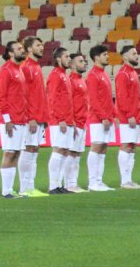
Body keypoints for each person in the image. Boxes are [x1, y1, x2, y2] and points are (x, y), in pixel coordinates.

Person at [0, 41, 28, 198]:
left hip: (21, 119)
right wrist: (7, 120)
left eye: (22, 48)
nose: (22, 51)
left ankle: (10, 189)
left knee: (15, 153)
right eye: (19, 49)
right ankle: (6, 190)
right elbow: (1, 97)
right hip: (11, 121)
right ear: (10, 53)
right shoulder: (6, 71)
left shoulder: (18, 69)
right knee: (9, 153)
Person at [18, 37, 49, 196]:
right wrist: (30, 116)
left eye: (41, 44)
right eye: (38, 45)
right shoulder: (26, 67)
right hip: (32, 117)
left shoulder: (36, 66)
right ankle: (25, 187)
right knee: (28, 149)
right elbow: (24, 94)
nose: (42, 47)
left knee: (34, 149)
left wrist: (44, 116)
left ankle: (31, 185)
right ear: (29, 49)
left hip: (40, 116)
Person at [86, 44, 117, 192]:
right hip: (98, 118)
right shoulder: (93, 75)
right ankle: (92, 182)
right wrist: (103, 116)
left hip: (106, 117)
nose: (107, 56)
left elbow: (107, 98)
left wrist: (113, 115)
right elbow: (93, 99)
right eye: (104, 54)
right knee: (97, 147)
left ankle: (99, 180)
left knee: (103, 149)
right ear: (96, 57)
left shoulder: (104, 74)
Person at [46, 47, 75, 195]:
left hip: (67, 120)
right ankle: (52, 185)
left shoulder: (64, 75)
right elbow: (53, 98)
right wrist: (61, 119)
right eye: (67, 56)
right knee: (58, 150)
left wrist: (71, 120)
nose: (69, 59)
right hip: (59, 121)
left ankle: (60, 184)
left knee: (64, 152)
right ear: (58, 59)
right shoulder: (55, 75)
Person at [115, 45, 140, 190]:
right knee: (126, 145)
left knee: (132, 147)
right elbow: (122, 97)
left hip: (135, 116)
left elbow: (135, 98)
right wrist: (130, 114)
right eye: (134, 53)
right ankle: (124, 180)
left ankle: (129, 179)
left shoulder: (132, 73)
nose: (137, 55)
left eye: (137, 53)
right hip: (127, 117)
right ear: (125, 57)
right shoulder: (123, 74)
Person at [66, 53, 89, 193]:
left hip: (82, 121)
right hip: (75, 122)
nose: (84, 63)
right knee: (71, 153)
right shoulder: (71, 81)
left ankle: (73, 183)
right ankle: (68, 183)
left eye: (84, 60)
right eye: (81, 61)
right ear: (72, 65)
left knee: (77, 154)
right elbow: (68, 103)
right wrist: (72, 121)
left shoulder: (81, 80)